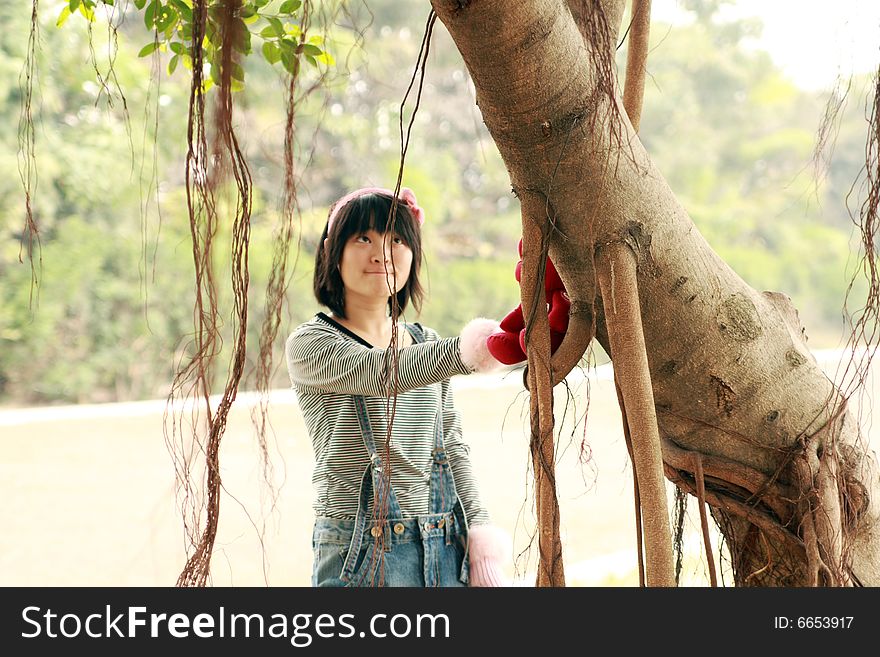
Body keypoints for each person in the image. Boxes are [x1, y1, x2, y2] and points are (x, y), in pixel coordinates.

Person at [285, 186, 508, 587]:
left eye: (397, 239)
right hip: (359, 554)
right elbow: (382, 373)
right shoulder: (311, 344)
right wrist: (469, 351)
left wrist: (481, 541)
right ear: (333, 253)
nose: (381, 253)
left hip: (444, 548)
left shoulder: (424, 341)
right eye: (363, 238)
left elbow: (451, 445)